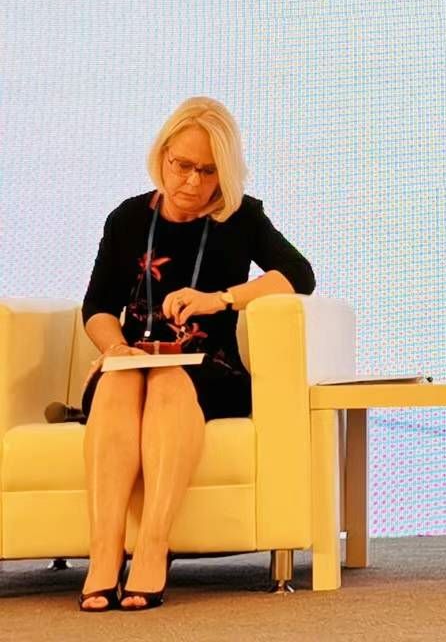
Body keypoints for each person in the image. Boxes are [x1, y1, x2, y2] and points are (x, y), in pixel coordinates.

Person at [76, 98, 314, 611]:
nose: (191, 181)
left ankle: (153, 547)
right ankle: (104, 552)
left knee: (168, 381)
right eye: (182, 165)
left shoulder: (241, 216)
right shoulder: (127, 218)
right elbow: (97, 307)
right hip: (132, 361)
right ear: (162, 155)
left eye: (207, 171)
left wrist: (221, 298)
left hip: (209, 369)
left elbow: (299, 276)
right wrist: (115, 347)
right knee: (121, 379)